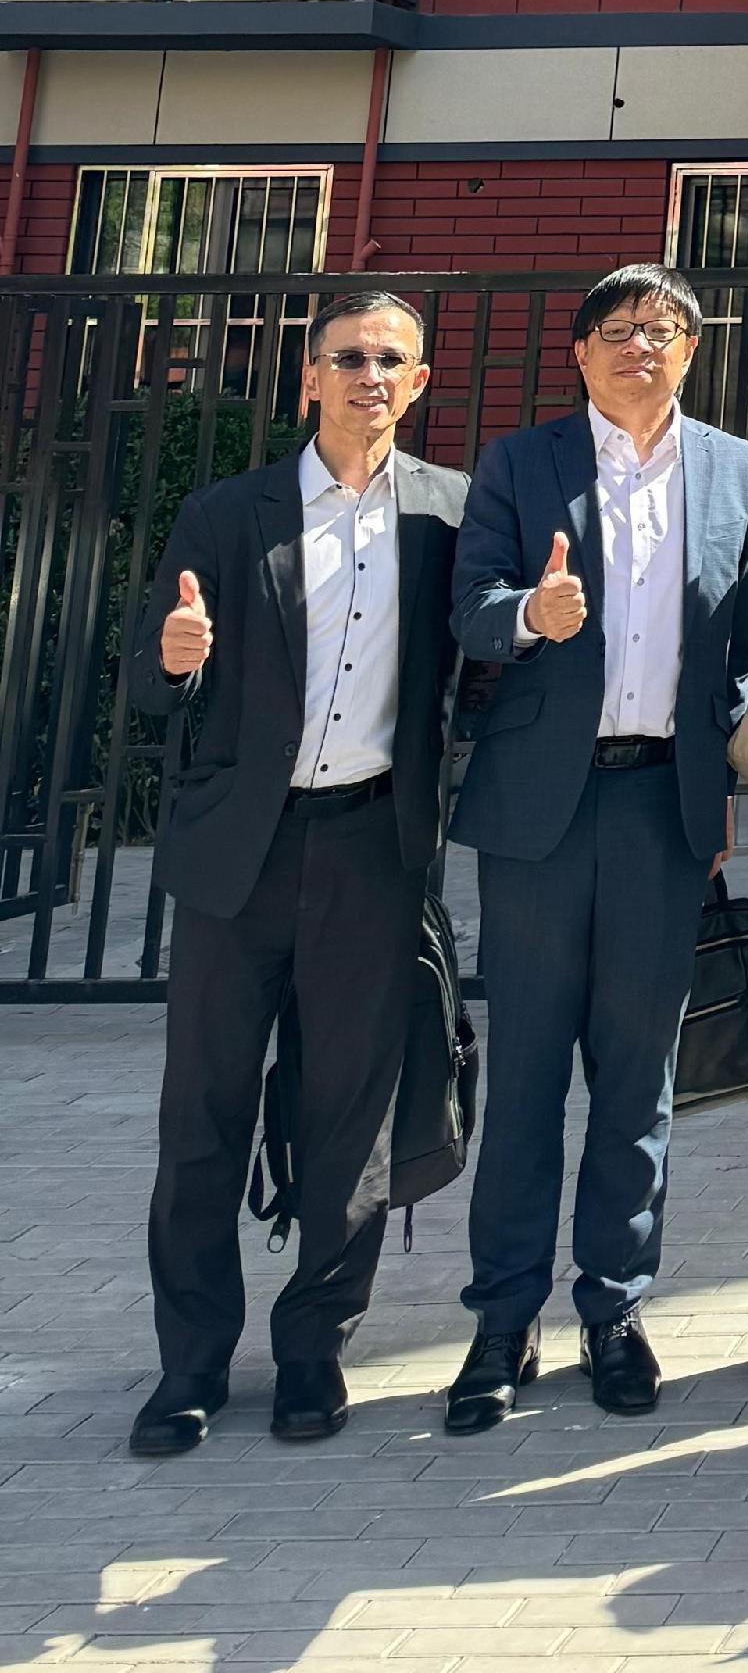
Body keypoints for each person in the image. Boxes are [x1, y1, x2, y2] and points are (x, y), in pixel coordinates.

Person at [125, 285, 465, 1455]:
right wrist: (172, 661)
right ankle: (190, 1364)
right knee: (203, 1114)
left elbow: (486, 668)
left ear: (420, 383)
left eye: (394, 359)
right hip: (241, 856)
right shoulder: (230, 513)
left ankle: (315, 1350)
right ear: (309, 374)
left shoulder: (450, 518)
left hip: (374, 844)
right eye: (350, 355)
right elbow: (140, 673)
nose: (371, 375)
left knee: (348, 1118)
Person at [445, 264, 748, 1431]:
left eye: (665, 328)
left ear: (693, 350)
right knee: (529, 1072)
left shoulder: (738, 469)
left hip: (659, 811)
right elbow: (466, 602)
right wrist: (532, 615)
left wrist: (720, 789)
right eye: (619, 329)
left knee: (639, 1079)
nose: (644, 344)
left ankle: (615, 1310)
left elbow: (734, 648)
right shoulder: (521, 462)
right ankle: (501, 1321)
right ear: (578, 353)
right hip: (541, 808)